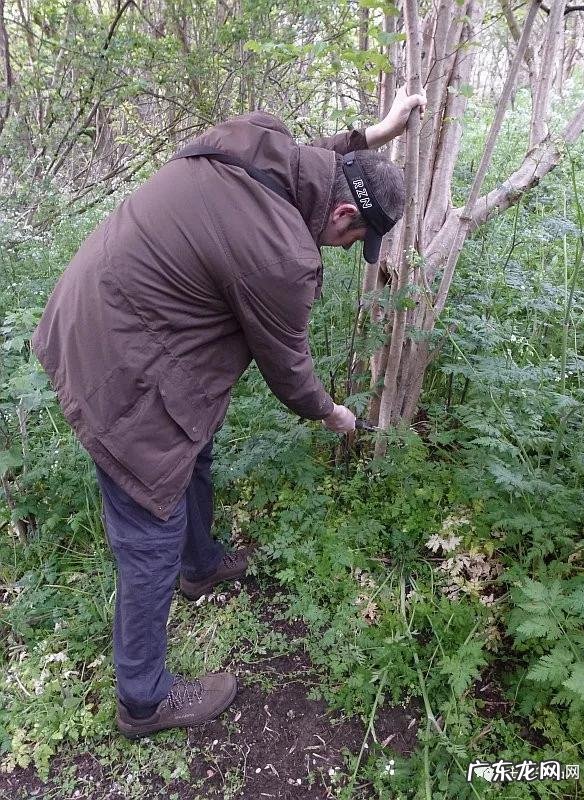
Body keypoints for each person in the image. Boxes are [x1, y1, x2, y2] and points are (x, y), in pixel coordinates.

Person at [32, 87, 426, 738]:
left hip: (97, 306)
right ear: (344, 216)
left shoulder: (258, 137)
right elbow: (289, 371)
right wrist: (334, 415)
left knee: (196, 437)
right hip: (118, 361)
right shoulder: (284, 258)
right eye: (354, 238)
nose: (343, 248)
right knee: (148, 521)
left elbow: (314, 163)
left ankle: (201, 563)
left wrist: (373, 136)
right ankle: (143, 699)